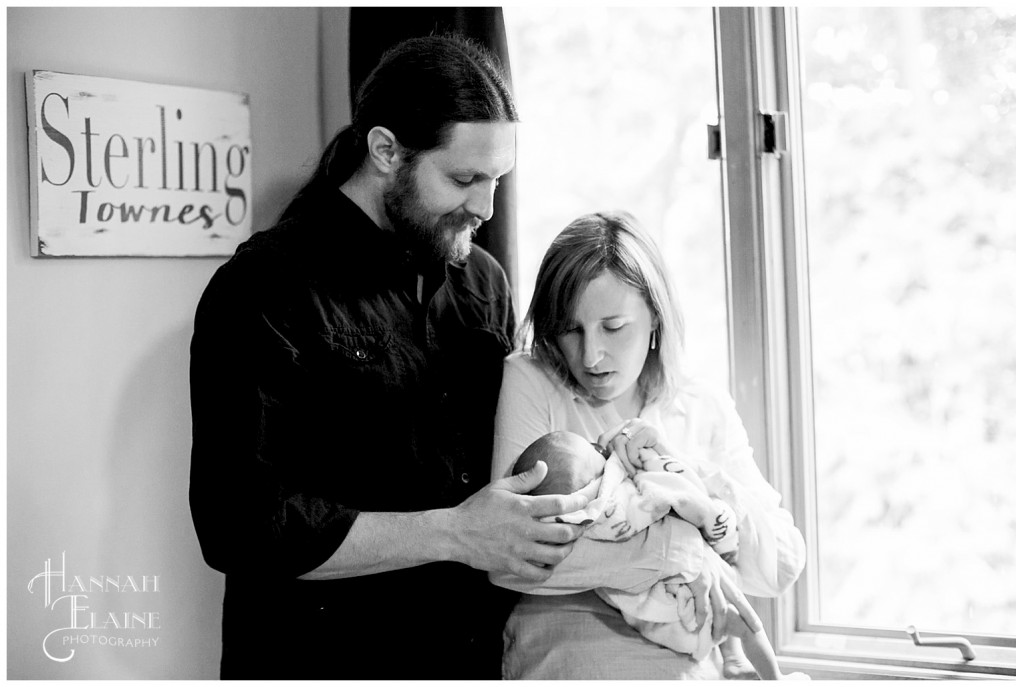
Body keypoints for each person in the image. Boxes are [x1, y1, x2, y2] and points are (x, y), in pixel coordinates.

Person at [188, 35, 589, 680]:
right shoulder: (262, 290)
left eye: (496, 181)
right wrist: (455, 533)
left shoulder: (482, 282)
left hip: (469, 657)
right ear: (385, 151)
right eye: (463, 179)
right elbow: (240, 523)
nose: (485, 208)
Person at [490, 210, 808, 679]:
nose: (591, 356)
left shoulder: (701, 404)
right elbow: (509, 556)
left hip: (692, 659)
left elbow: (782, 564)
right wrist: (686, 555)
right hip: (572, 658)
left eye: (613, 327)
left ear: (655, 316)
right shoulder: (532, 380)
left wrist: (702, 488)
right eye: (570, 330)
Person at [504, 429, 808, 681]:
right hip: (668, 594)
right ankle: (774, 678)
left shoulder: (581, 523)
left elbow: (783, 567)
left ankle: (733, 658)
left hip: (648, 614)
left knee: (726, 606)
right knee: (744, 622)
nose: (599, 450)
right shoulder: (614, 500)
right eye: (593, 454)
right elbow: (672, 495)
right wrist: (704, 526)